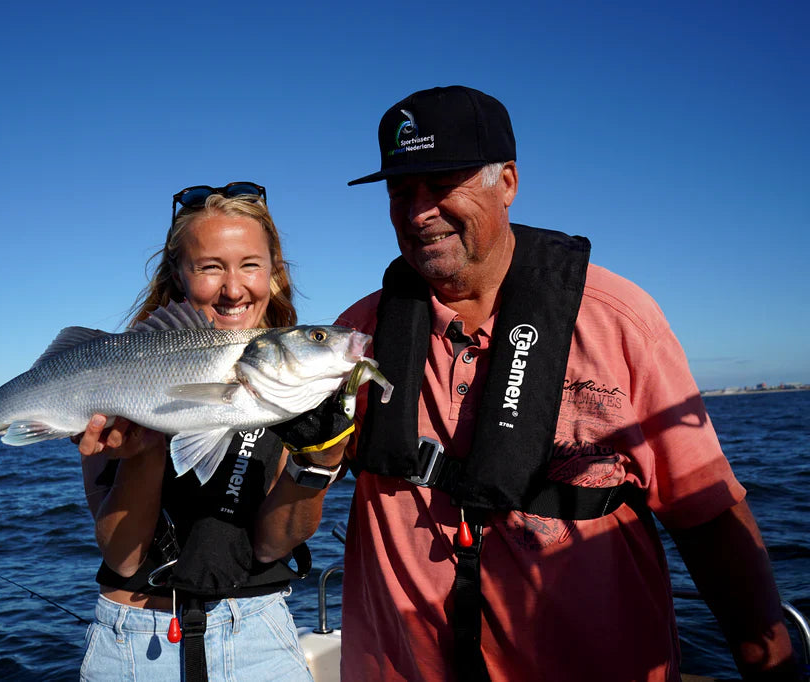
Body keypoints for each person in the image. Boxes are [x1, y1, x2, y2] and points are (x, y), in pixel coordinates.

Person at [335, 86, 799, 681]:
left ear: (507, 182)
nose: (419, 212)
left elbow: (706, 515)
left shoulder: (619, 321)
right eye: (401, 192)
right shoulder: (355, 338)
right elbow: (283, 500)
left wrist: (772, 664)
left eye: (442, 184)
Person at [75, 182, 352, 682]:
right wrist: (144, 451)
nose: (233, 289)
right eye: (209, 267)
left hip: (260, 634)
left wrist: (320, 461)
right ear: (178, 275)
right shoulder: (120, 369)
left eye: (250, 265)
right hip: (135, 641)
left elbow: (271, 547)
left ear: (274, 273)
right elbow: (123, 556)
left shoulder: (294, 381)